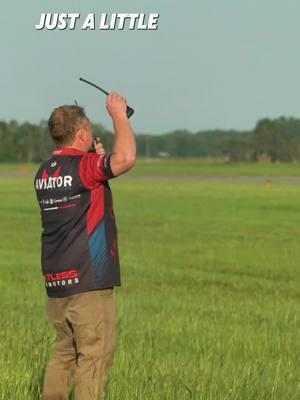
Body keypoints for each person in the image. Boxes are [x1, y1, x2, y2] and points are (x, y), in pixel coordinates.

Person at [34, 92, 136, 400]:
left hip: (58, 281)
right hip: (89, 280)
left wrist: (93, 156)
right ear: (81, 134)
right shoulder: (84, 167)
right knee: (95, 356)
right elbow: (126, 159)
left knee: (65, 352)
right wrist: (119, 115)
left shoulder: (44, 172)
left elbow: (82, 184)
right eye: (90, 130)